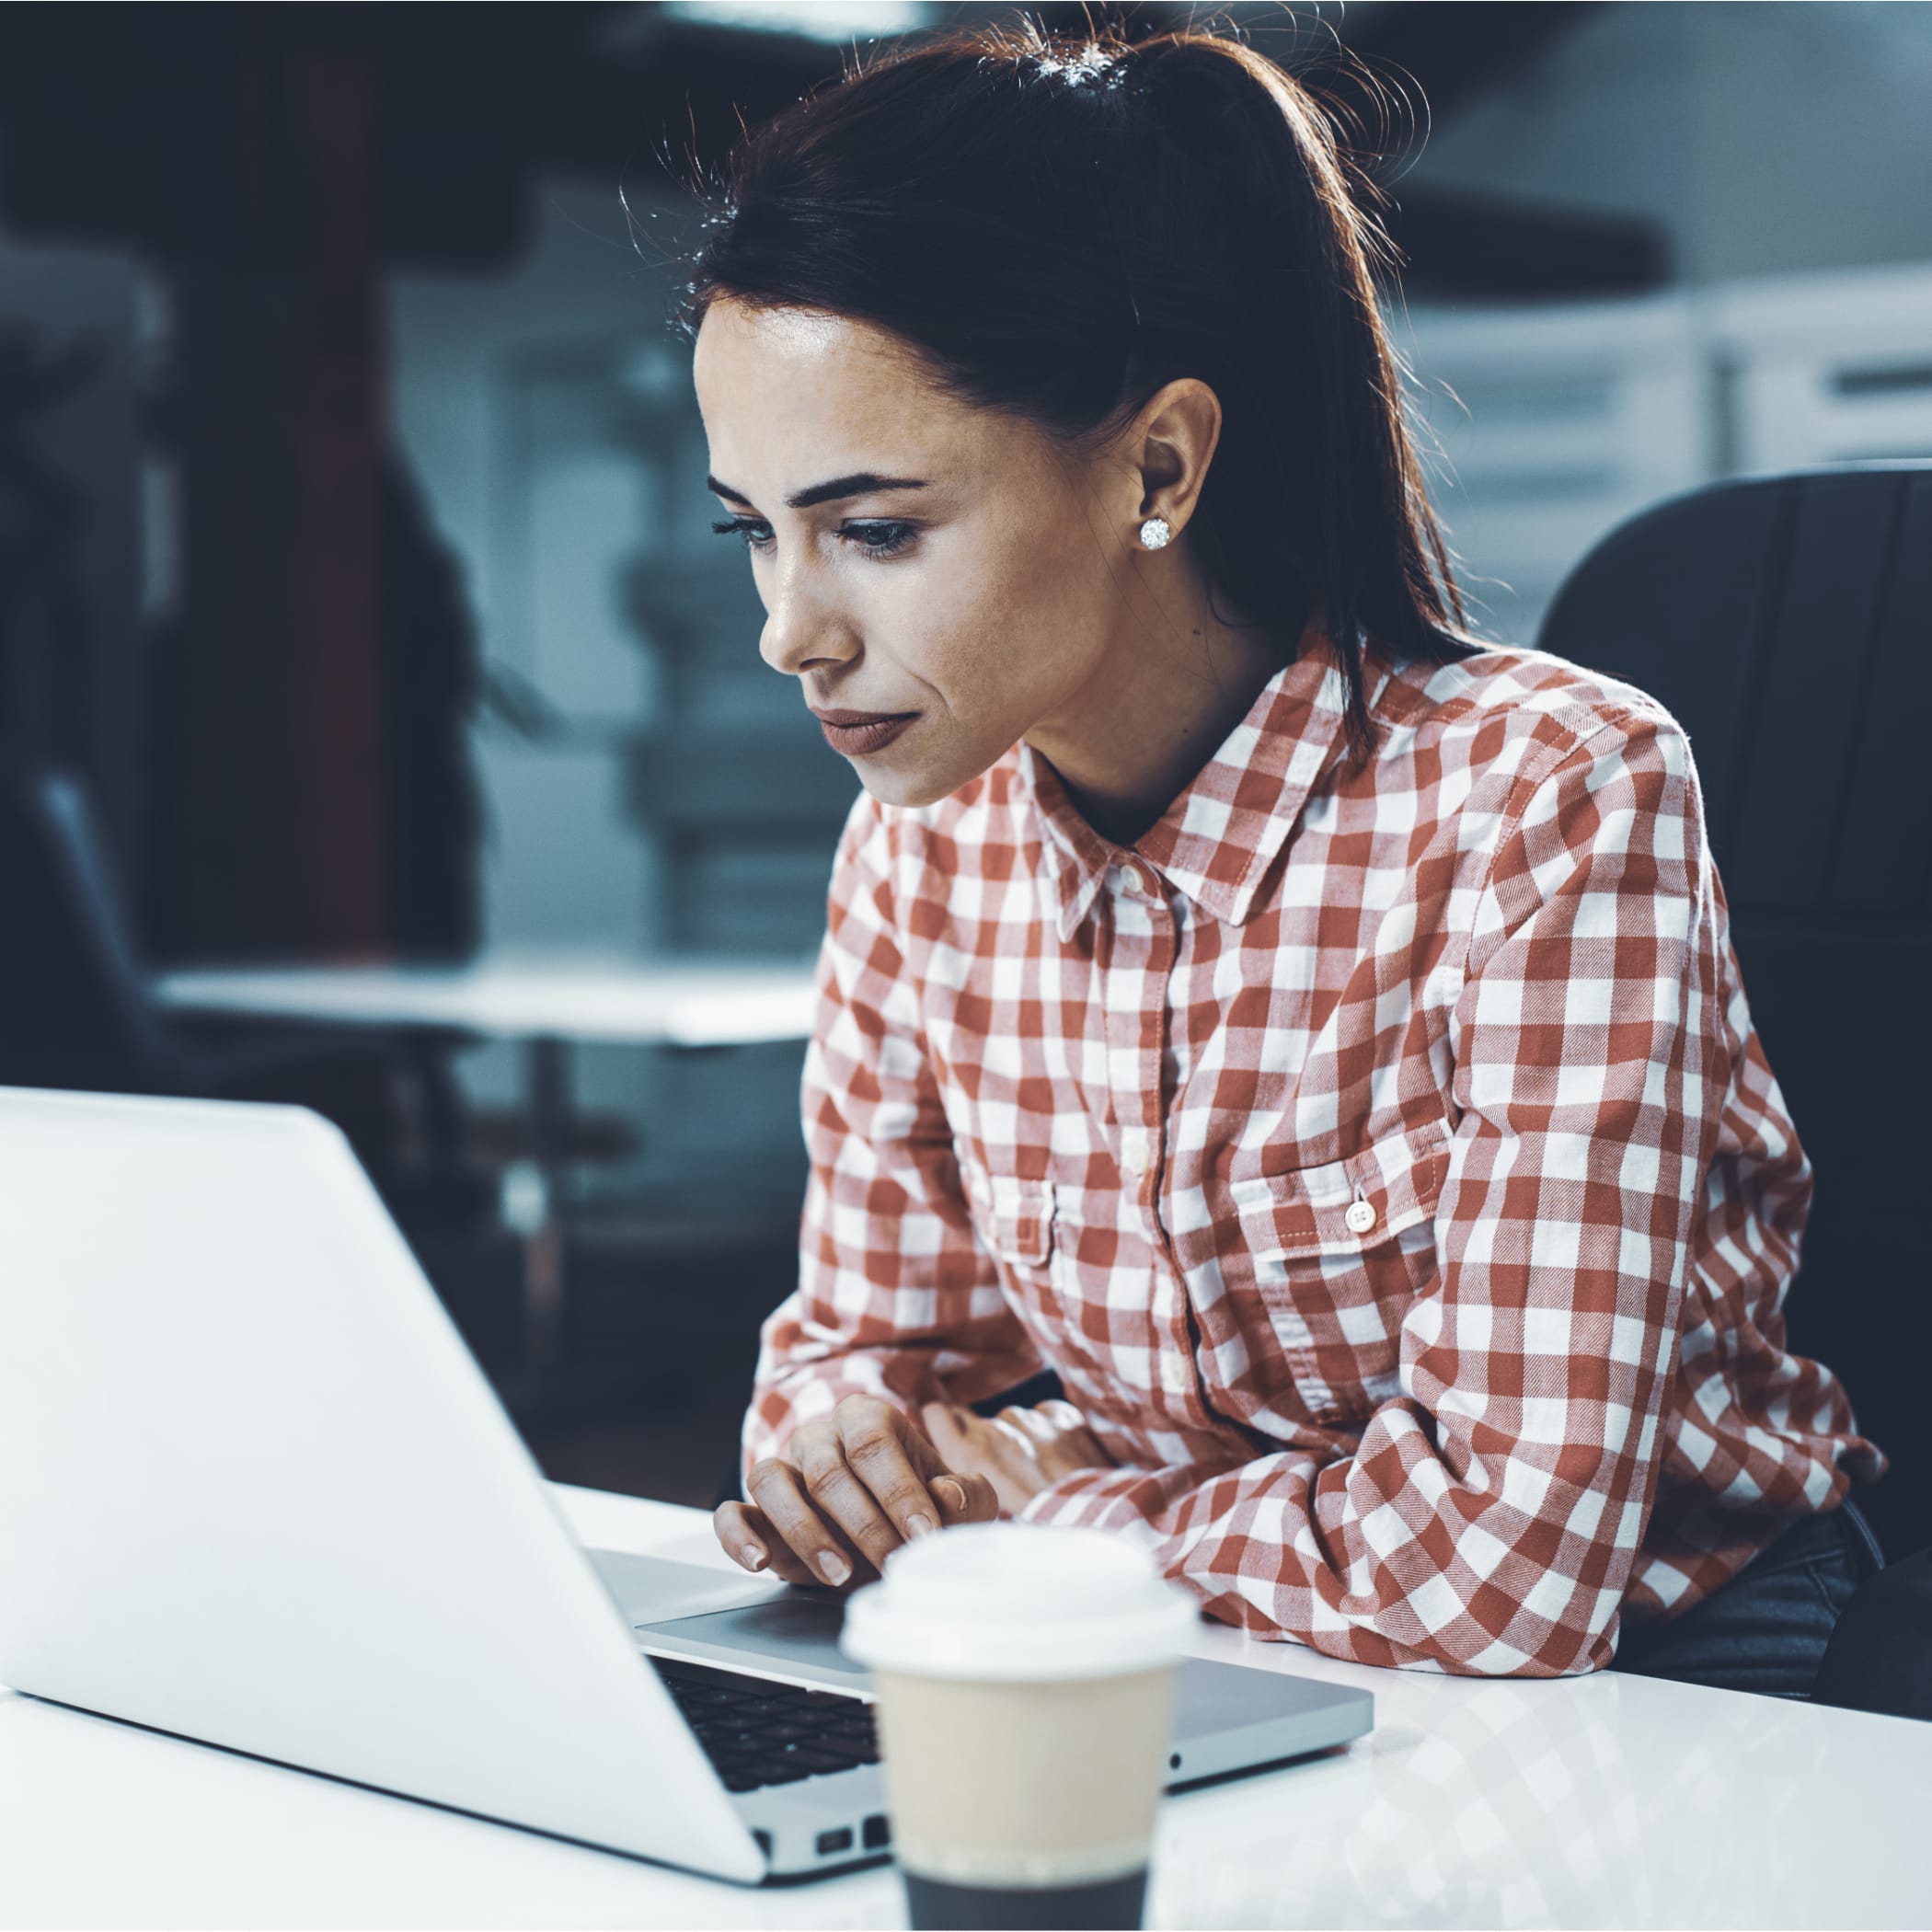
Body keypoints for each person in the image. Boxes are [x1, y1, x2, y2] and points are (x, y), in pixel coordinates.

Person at [676, 15, 1885, 1694]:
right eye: (757, 531)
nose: (787, 633)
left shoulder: (1549, 797)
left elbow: (1505, 1582)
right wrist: (846, 1458)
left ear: (1158, 465)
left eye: (876, 529)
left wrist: (1041, 1510)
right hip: (1214, 1637)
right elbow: (859, 1363)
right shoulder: (920, 847)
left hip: (1659, 1668)